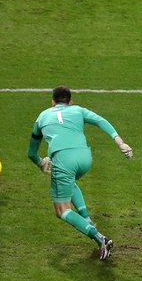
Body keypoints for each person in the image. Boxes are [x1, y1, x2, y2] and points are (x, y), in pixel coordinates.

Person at [28, 86, 133, 261]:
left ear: (52, 102)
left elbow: (31, 153)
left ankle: (100, 239)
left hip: (63, 160)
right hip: (85, 158)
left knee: (62, 210)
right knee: (69, 183)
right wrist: (120, 142)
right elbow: (100, 121)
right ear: (70, 102)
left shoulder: (42, 117)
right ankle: (87, 220)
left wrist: (40, 163)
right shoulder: (78, 110)